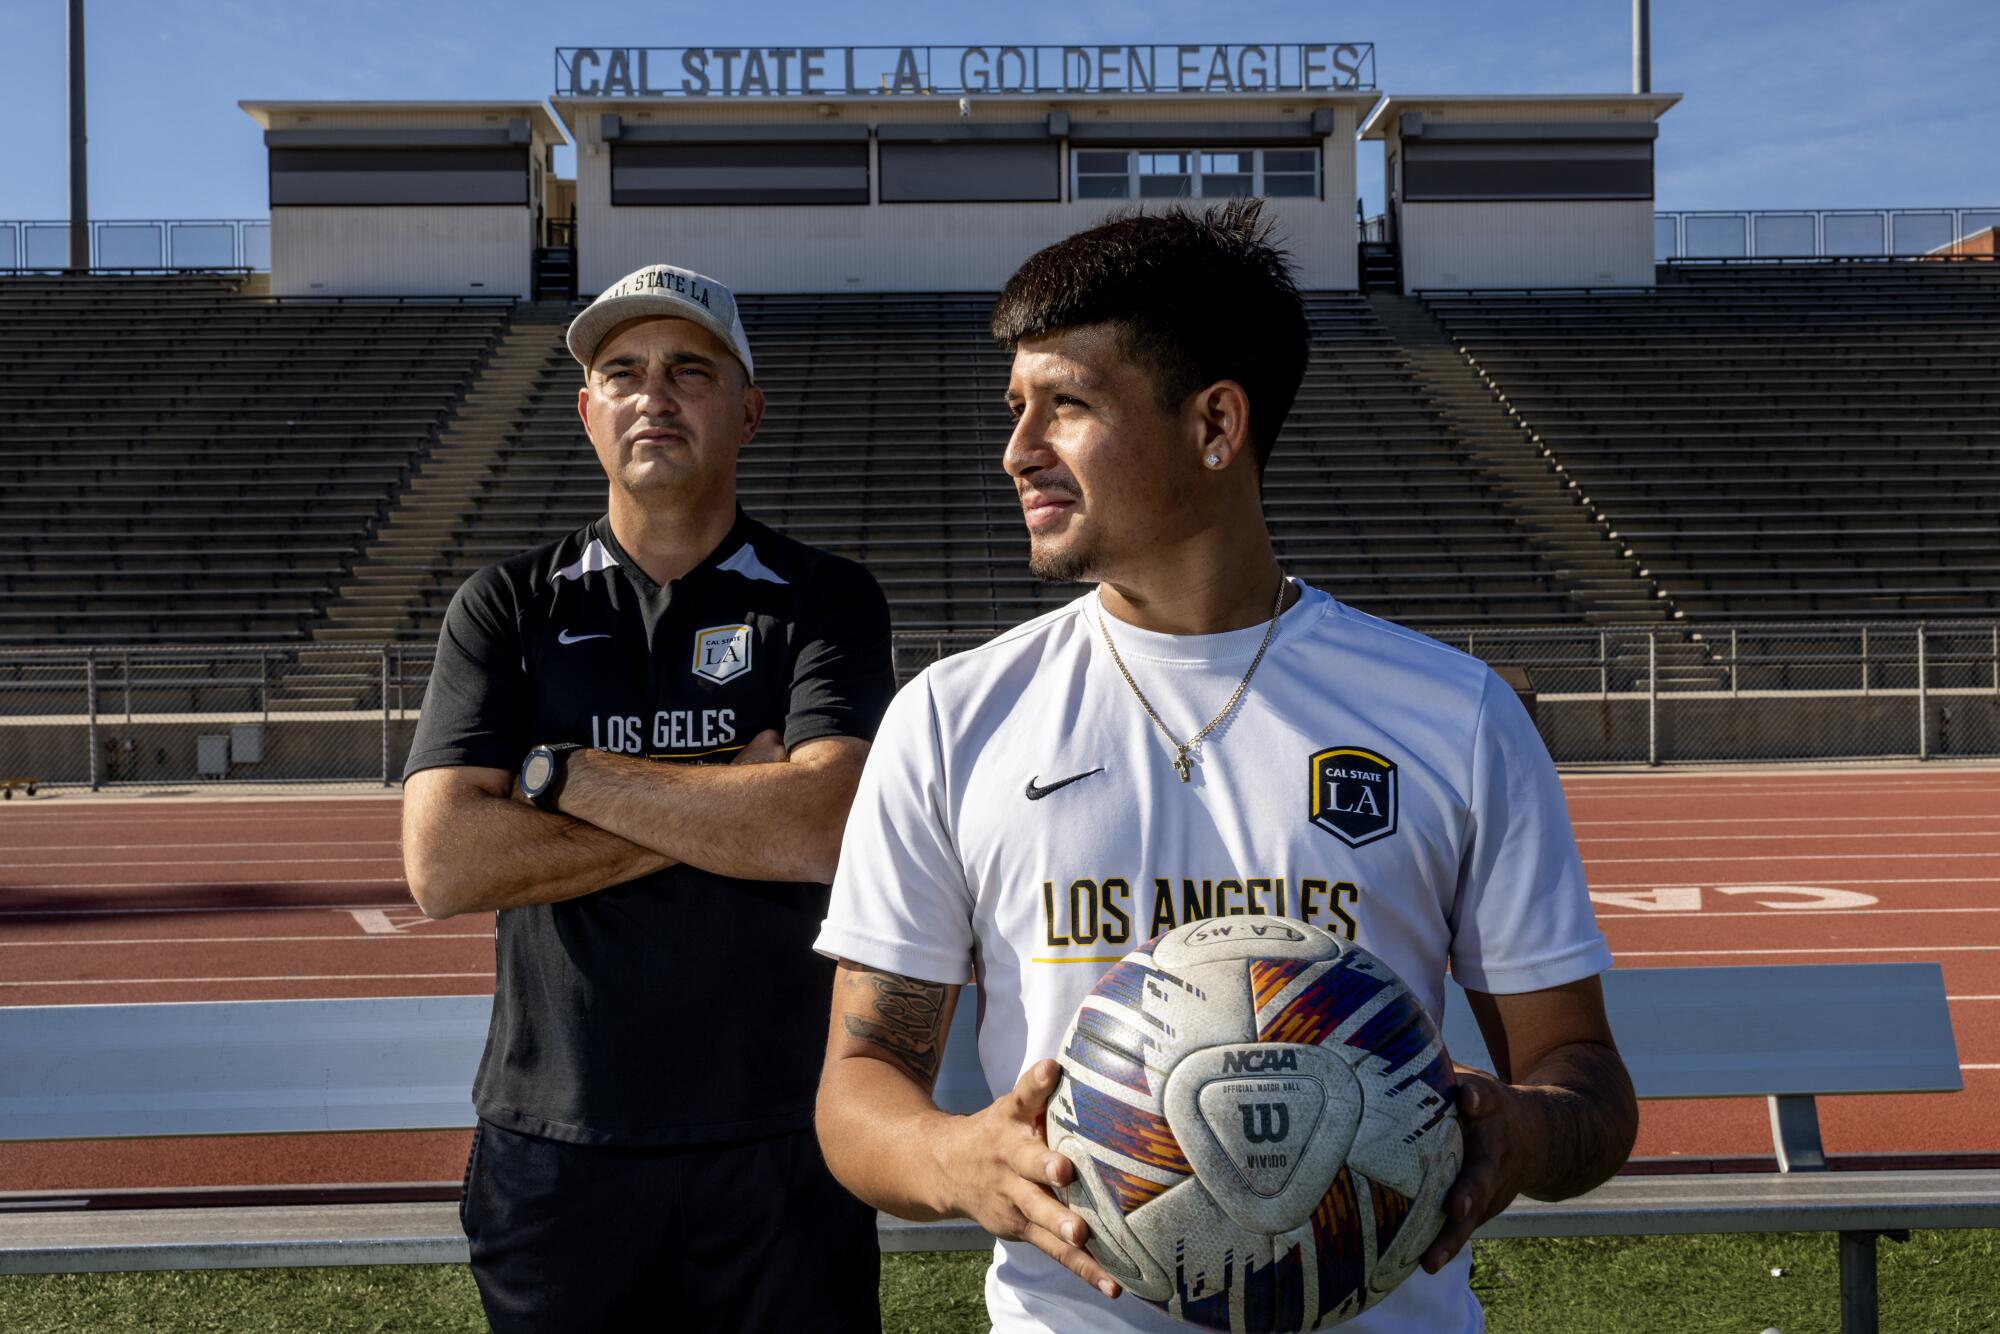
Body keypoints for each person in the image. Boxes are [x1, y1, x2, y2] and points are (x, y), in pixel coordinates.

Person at [813, 202, 1637, 1332]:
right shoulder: (952, 719)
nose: (1016, 451)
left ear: (1214, 421)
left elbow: (1580, 1072)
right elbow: (858, 1086)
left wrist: (1522, 1130)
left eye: (1065, 405)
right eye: (1015, 409)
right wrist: (955, 1156)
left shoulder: (1451, 714)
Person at [401, 262, 893, 1333]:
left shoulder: (824, 597)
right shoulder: (506, 603)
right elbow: (446, 861)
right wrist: (731, 794)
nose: (651, 395)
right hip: (556, 1142)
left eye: (689, 370)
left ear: (748, 409)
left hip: (778, 1137)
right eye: (620, 372)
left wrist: (560, 776)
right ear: (586, 413)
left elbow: (824, 827)